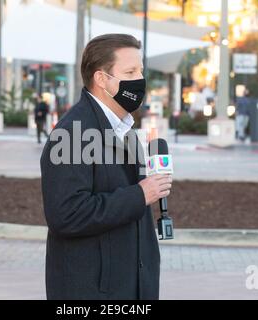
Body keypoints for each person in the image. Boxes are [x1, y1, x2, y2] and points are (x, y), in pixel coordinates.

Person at [40, 34, 172, 300]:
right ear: (102, 79)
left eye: (141, 71)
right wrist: (140, 195)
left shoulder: (124, 127)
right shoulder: (72, 134)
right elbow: (66, 215)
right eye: (130, 72)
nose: (139, 80)